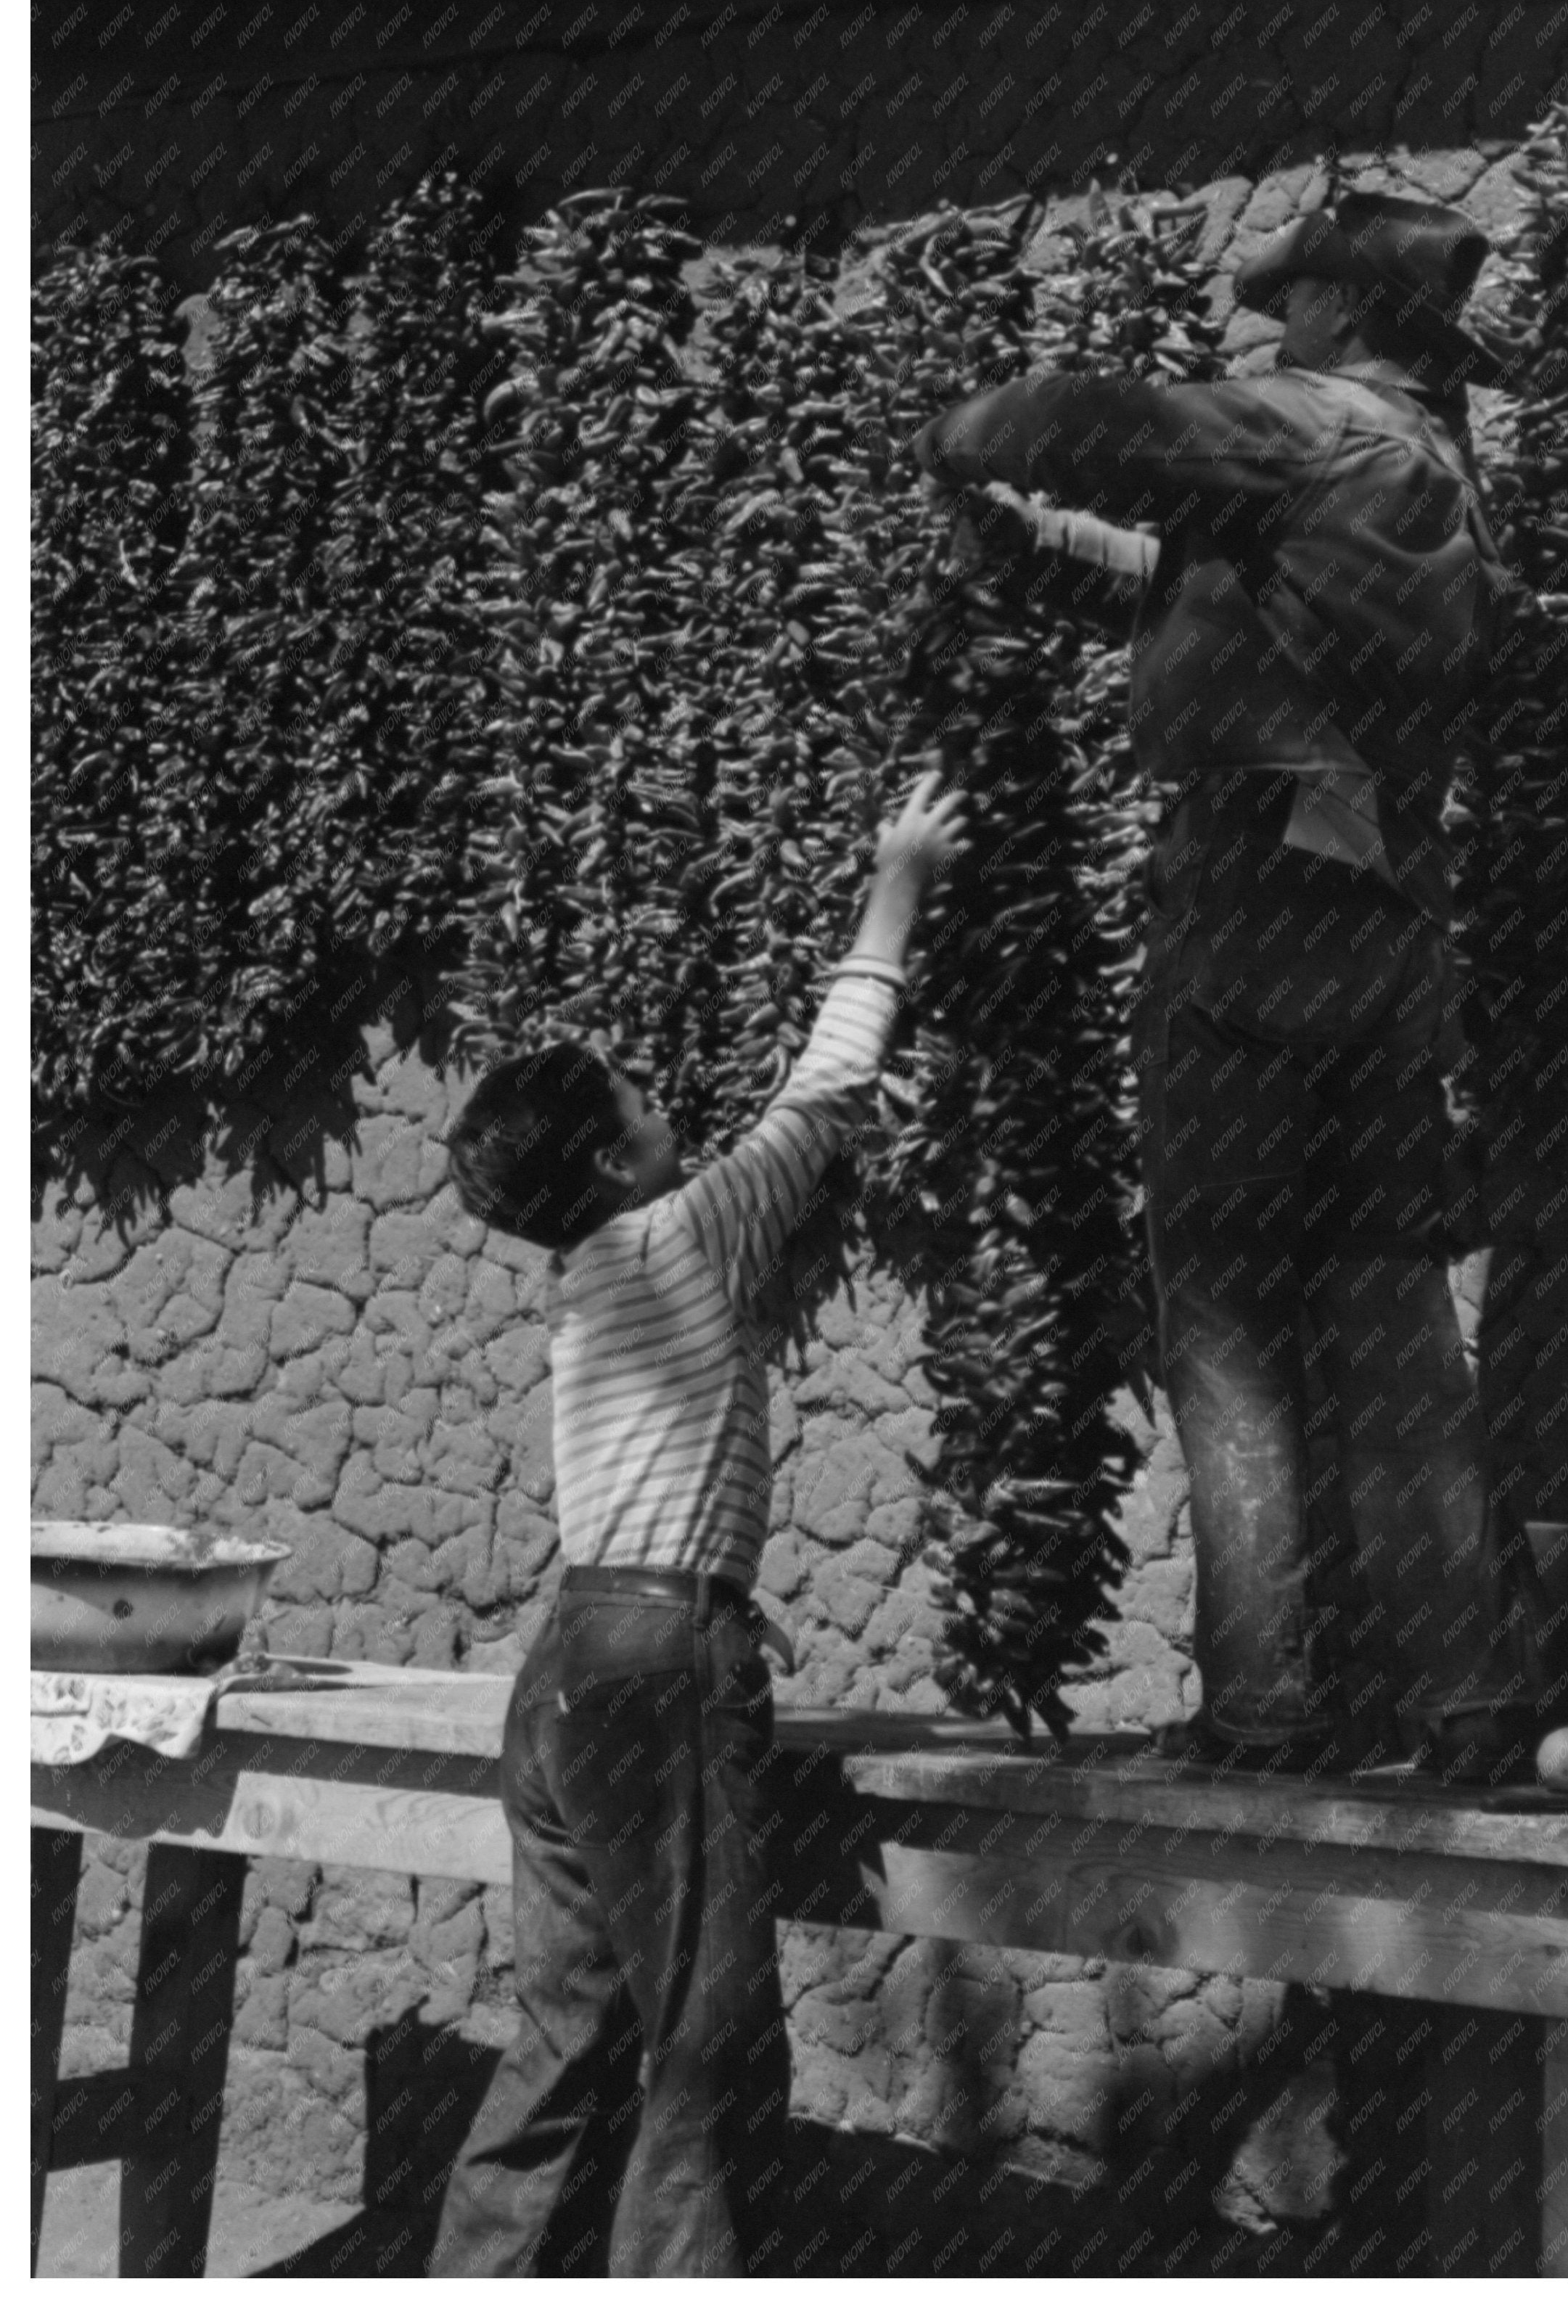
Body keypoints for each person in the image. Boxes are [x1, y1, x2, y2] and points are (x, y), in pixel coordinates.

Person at [912, 192, 1538, 1779]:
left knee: (1229, 1318)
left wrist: (963, 428)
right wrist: (1036, 547)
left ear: (1345, 309)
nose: (1274, 320)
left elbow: (1065, 423)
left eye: (1297, 295)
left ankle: (1266, 1709)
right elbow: (1204, 601)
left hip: (1254, 906)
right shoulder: (1426, 475)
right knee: (1387, 1321)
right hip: (1383, 920)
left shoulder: (1308, 429)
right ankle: (1468, 1706)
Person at [427, 769, 966, 2276]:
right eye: (646, 1101)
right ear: (613, 1158)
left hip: (569, 1666)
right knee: (708, 2035)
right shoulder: (681, 1232)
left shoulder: (585, 1282)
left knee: (566, 2024)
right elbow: (827, 1088)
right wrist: (901, 877)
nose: (675, 1105)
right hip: (657, 1671)